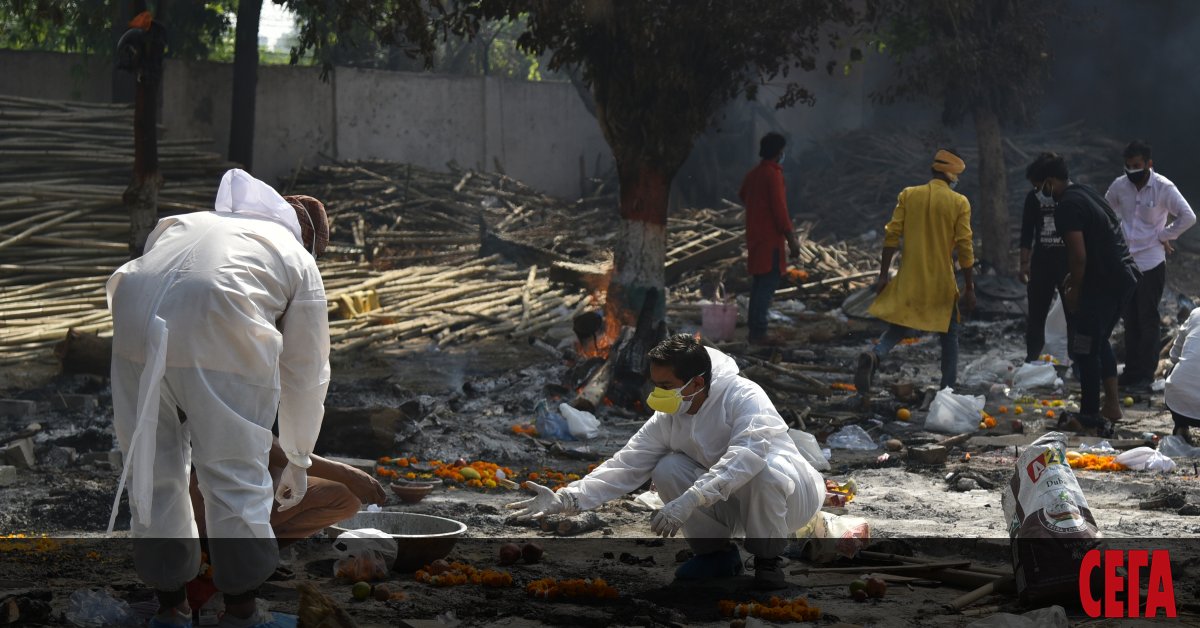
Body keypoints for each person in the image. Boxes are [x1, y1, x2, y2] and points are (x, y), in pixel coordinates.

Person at [107, 169, 331, 628]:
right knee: (234, 473)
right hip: (218, 325)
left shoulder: (185, 223)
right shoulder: (295, 256)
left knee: (152, 469)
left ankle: (170, 609)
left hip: (132, 327)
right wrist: (298, 456)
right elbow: (306, 374)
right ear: (307, 237)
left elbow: (156, 275)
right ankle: (241, 614)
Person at [506, 334, 824, 590]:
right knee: (667, 468)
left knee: (762, 471)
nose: (657, 394)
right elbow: (626, 464)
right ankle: (716, 555)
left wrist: (692, 498)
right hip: (731, 504)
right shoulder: (669, 416)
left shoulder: (744, 397)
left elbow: (745, 457)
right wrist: (567, 498)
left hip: (790, 499)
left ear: (696, 383)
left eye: (666, 386)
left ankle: (768, 561)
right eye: (655, 384)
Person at [1027, 153, 1140, 435]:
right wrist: (1076, 278)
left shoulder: (1067, 206)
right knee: (1098, 340)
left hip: (1104, 282)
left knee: (1084, 346)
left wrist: (1075, 290)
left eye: (1038, 187)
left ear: (1049, 182)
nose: (1038, 193)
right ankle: (1112, 405)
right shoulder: (1085, 193)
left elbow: (1078, 255)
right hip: (1122, 276)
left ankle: (1089, 416)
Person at [855, 149, 975, 399]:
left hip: (910, 280)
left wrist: (883, 275)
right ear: (952, 174)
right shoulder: (959, 202)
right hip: (941, 283)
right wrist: (970, 287)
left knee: (899, 327)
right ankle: (948, 390)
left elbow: (891, 235)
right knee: (949, 335)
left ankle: (875, 355)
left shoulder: (908, 195)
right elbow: (965, 246)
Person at [1104, 140, 1195, 388]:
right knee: (1130, 319)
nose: (1132, 170)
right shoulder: (1119, 186)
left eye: (1137, 165)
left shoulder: (1164, 188)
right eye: (1128, 166)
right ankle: (1131, 372)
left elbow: (1188, 217)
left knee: (1147, 319)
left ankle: (1145, 374)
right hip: (1125, 262)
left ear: (1148, 164)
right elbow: (1105, 213)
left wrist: (1163, 235)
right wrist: (1115, 238)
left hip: (1151, 262)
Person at [188, 438, 386, 546]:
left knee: (345, 498)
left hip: (253, 482)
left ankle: (265, 554)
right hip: (201, 491)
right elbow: (257, 442)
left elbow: (275, 451)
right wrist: (345, 473)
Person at [739, 132, 800, 345]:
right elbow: (780, 211)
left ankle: (755, 330)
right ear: (779, 152)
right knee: (766, 285)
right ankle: (759, 332)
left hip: (755, 238)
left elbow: (743, 194)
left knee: (759, 284)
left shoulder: (753, 174)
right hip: (770, 241)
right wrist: (792, 239)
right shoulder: (773, 175)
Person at [1018, 171, 1069, 363]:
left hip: (1066, 265)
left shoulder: (1070, 196)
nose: (1037, 190)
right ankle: (1031, 360)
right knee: (1036, 317)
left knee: (1073, 316)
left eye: (1039, 185)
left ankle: (1076, 363)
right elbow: (1027, 231)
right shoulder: (1033, 198)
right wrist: (1024, 263)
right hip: (1041, 264)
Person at [1166, 306, 1200, 444]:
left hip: (1179, 405)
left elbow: (1174, 356)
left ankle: (1181, 427)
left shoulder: (1196, 313)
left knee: (1173, 371)